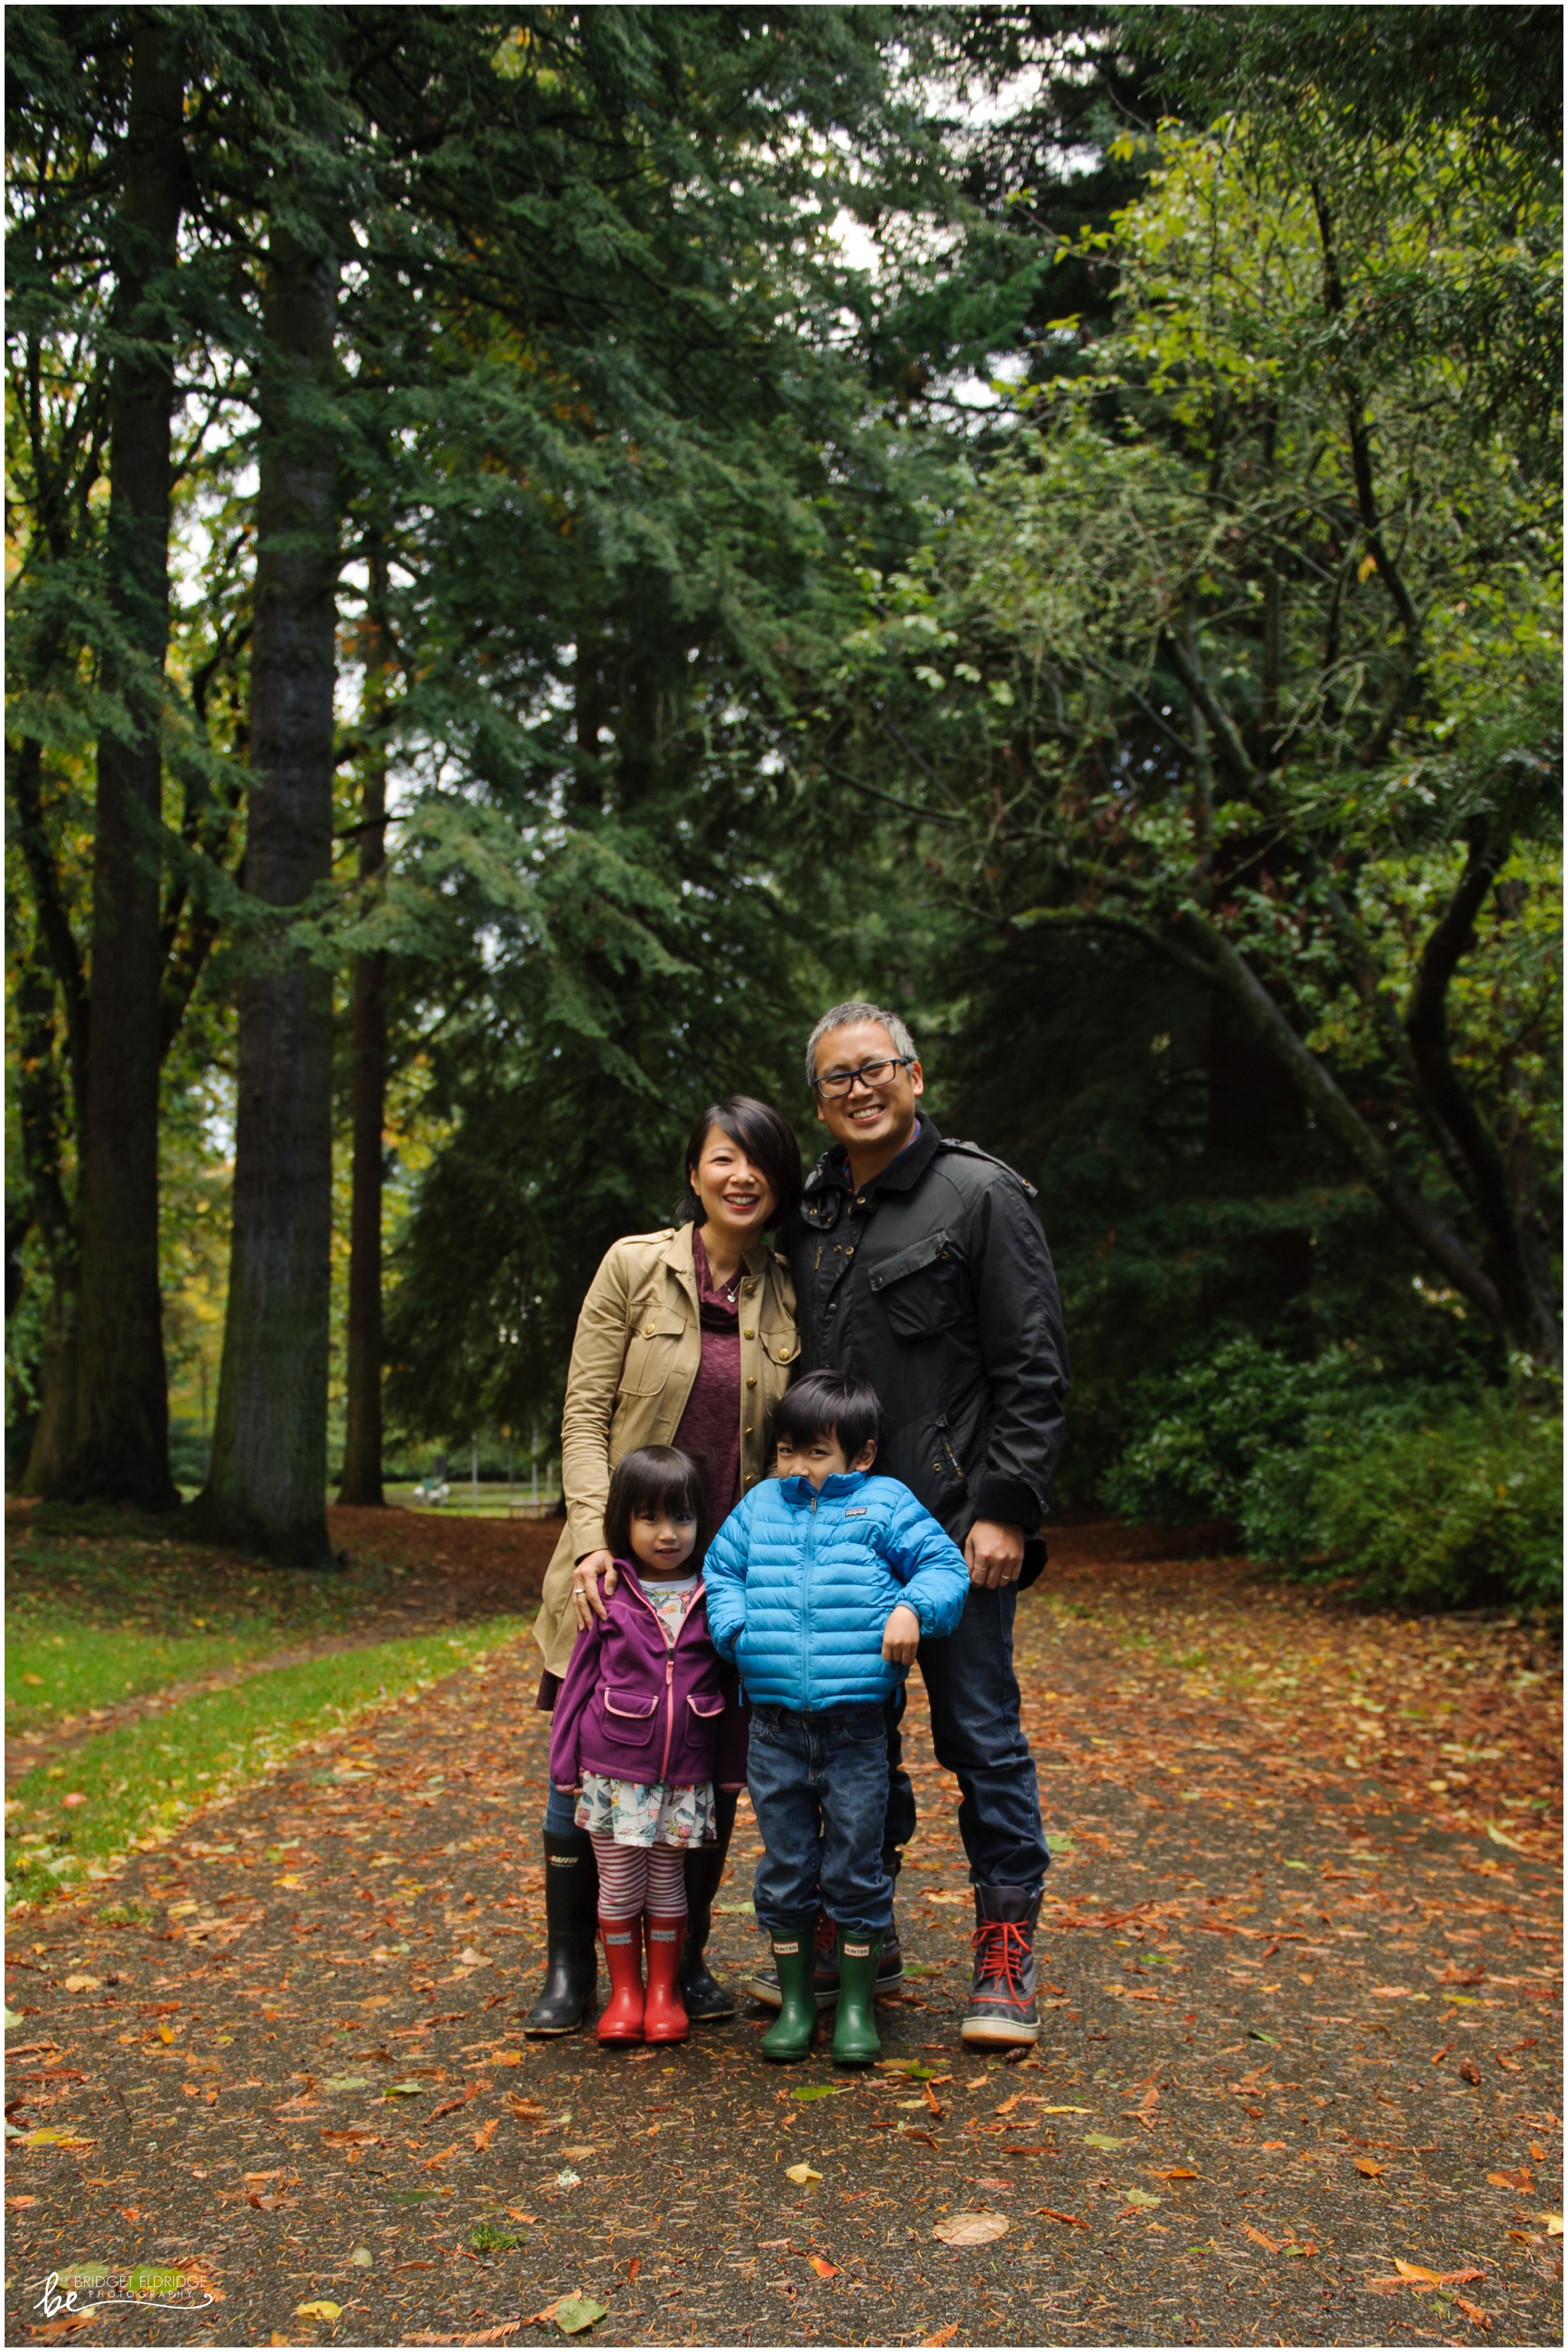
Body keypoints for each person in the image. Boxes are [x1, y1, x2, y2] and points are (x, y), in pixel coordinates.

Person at [756, 998, 1070, 2050]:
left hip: (951, 1530)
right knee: (850, 1742)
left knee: (979, 1738)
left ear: (916, 1074)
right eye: (836, 1077)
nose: (858, 1088)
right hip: (832, 1541)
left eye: (874, 1068)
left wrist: (1006, 1512)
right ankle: (862, 1936)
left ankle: (1005, 1952)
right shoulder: (810, 1213)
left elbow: (1033, 1368)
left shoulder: (980, 1196)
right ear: (820, 1098)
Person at [523, 1095, 801, 2037]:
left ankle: (683, 1968)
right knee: (592, 1772)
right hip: (617, 1569)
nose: (740, 1177)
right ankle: (571, 1971)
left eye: (759, 1161)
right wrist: (596, 1543)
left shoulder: (787, 1288)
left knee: (705, 1771)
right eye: (723, 1159)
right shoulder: (633, 1266)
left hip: (724, 1581)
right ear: (694, 1173)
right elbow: (584, 1415)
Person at [703, 1370, 969, 2065]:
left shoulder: (886, 1506)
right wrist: (735, 1629)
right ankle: (796, 2004)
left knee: (855, 1864)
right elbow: (722, 1572)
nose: (798, 1468)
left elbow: (944, 1566)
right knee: (787, 1865)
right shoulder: (761, 1507)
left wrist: (913, 1608)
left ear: (862, 1455)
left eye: (816, 1453)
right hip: (774, 1729)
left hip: (857, 1729)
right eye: (788, 1451)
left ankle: (855, 2004)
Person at [548, 1446, 746, 2047]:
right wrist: (564, 1764)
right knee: (618, 1885)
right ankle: (624, 1994)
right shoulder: (610, 1591)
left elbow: (736, 1688)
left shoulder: (716, 1595)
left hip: (685, 1775)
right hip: (614, 1771)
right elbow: (576, 1683)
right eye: (650, 1519)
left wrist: (732, 1768)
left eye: (682, 1518)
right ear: (622, 1524)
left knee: (668, 1885)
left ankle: (663, 1993)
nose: (668, 1534)